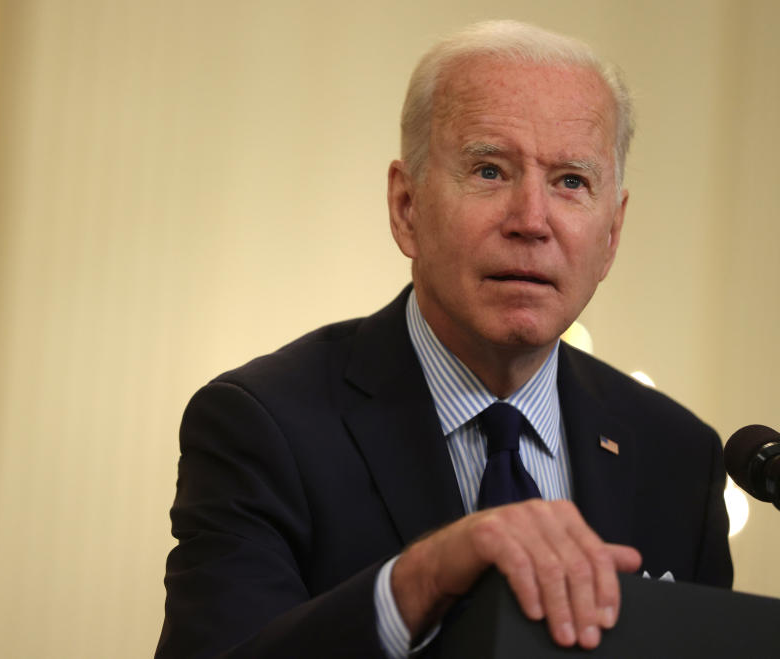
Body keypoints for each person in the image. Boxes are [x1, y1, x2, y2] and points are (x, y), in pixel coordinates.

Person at [155, 19, 733, 658]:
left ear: (612, 235)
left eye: (571, 181)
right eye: (489, 170)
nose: (531, 221)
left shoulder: (680, 458)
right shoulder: (264, 425)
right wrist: (420, 579)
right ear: (407, 208)